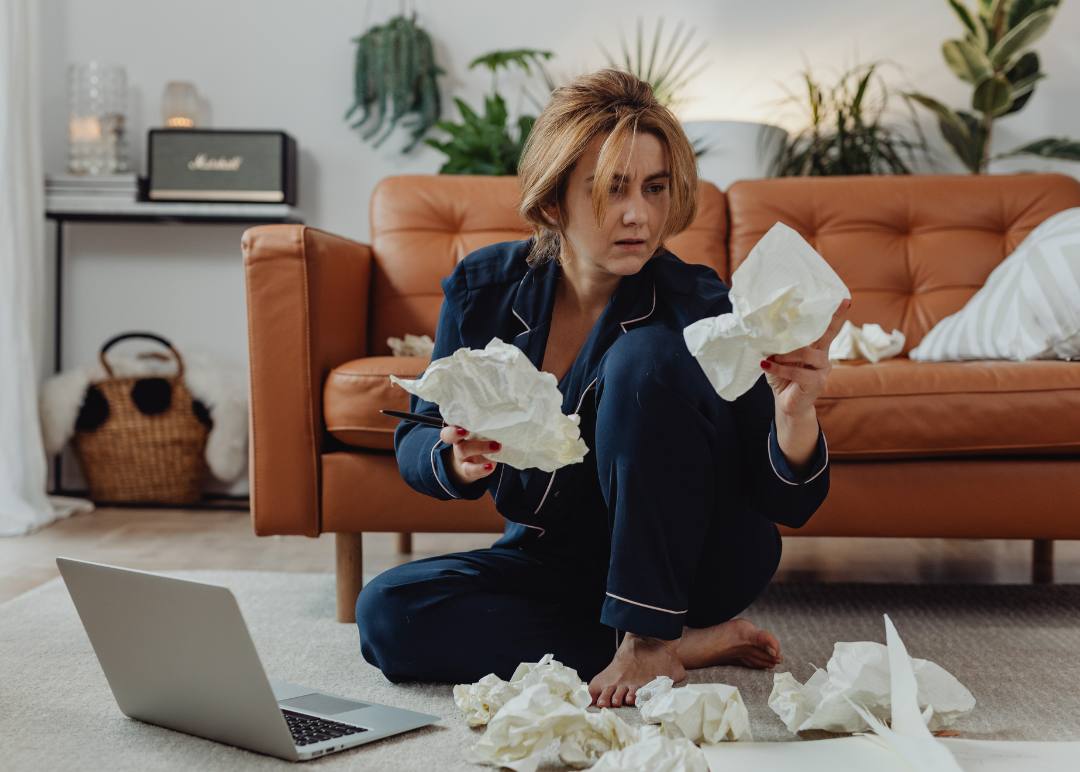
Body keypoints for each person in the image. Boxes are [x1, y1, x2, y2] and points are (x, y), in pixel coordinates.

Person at [357, 69, 849, 710]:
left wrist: (796, 412)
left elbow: (786, 501)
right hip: (558, 557)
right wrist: (454, 455)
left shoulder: (700, 306)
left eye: (654, 187)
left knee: (642, 357)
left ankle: (649, 637)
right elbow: (417, 439)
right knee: (388, 615)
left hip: (695, 560)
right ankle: (683, 644)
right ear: (554, 200)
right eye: (611, 190)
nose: (639, 215)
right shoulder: (485, 292)